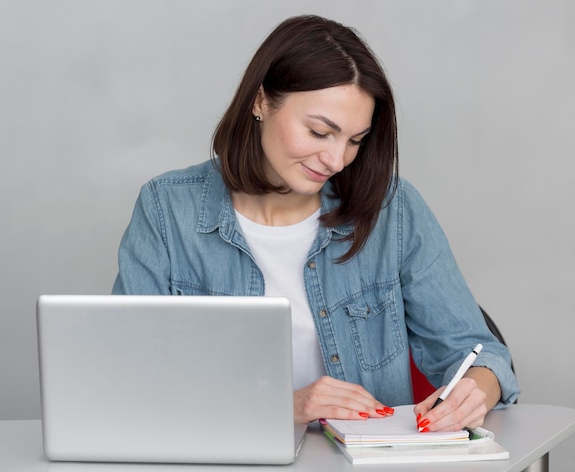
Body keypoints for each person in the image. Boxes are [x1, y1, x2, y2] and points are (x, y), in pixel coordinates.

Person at [112, 15, 519, 431]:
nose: (337, 159)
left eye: (356, 140)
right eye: (319, 132)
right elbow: (130, 378)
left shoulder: (392, 210)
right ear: (260, 102)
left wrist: (475, 390)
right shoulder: (166, 210)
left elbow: (481, 354)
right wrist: (282, 405)